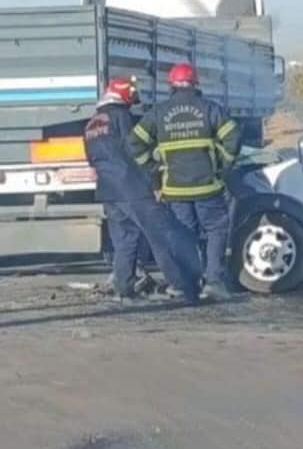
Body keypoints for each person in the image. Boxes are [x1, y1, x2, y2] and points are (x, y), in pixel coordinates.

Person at [129, 62, 241, 300]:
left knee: (184, 235)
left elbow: (134, 143)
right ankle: (213, 282)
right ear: (195, 83)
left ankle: (189, 284)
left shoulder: (159, 112)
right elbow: (232, 136)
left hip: (175, 189)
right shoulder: (209, 108)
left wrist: (154, 169)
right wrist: (223, 166)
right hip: (208, 186)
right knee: (216, 230)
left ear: (172, 85)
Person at [84, 76, 201, 304]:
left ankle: (124, 290)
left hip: (108, 191)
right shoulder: (122, 117)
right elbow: (135, 149)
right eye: (133, 92)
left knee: (124, 241)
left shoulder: (91, 123)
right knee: (159, 236)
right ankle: (180, 286)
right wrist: (155, 175)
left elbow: (91, 158)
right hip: (132, 188)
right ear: (125, 93)